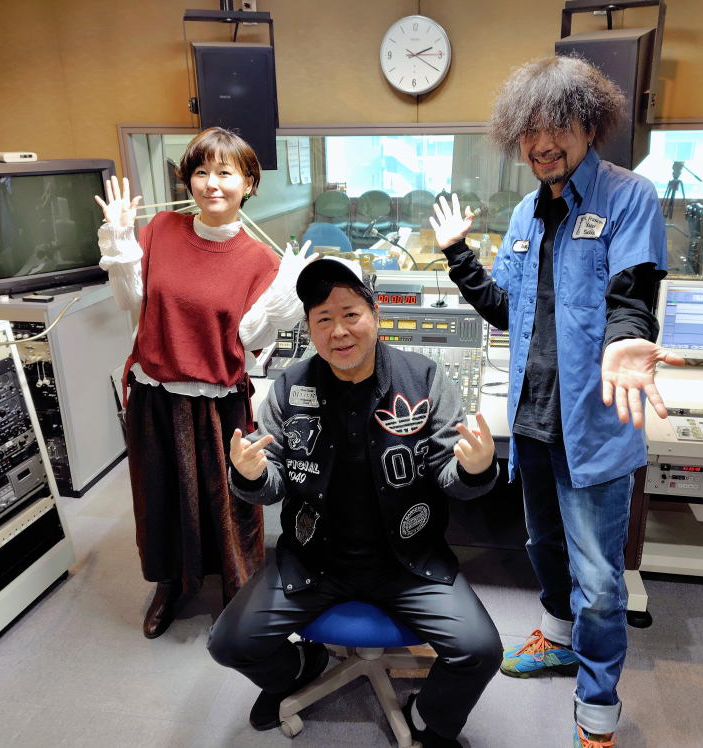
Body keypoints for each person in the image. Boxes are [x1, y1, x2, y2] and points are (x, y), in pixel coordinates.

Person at [429, 56, 685, 747]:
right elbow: (504, 311)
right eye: (530, 132)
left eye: (558, 128)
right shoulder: (524, 212)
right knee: (542, 544)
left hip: (593, 423)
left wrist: (626, 340)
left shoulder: (628, 197)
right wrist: (457, 254)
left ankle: (597, 708)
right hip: (534, 422)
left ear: (589, 126)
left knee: (599, 581)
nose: (542, 144)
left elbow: (631, 294)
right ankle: (558, 638)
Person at [207, 257, 502, 746]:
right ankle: (299, 667)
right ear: (309, 329)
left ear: (375, 315)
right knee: (229, 644)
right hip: (315, 559)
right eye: (323, 319)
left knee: (481, 651)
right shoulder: (289, 387)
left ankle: (428, 715)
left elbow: (451, 475)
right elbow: (272, 481)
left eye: (350, 314)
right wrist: (251, 475)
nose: (339, 331)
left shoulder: (424, 378)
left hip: (408, 561)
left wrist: (474, 469)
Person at [94, 127, 316, 638]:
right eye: (200, 172)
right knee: (160, 497)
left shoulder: (261, 260)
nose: (211, 183)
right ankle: (169, 583)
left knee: (229, 501)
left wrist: (285, 298)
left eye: (224, 172)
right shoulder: (160, 230)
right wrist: (121, 239)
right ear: (188, 180)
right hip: (154, 394)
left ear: (248, 183)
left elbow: (250, 340)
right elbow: (129, 301)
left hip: (218, 403)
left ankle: (236, 588)